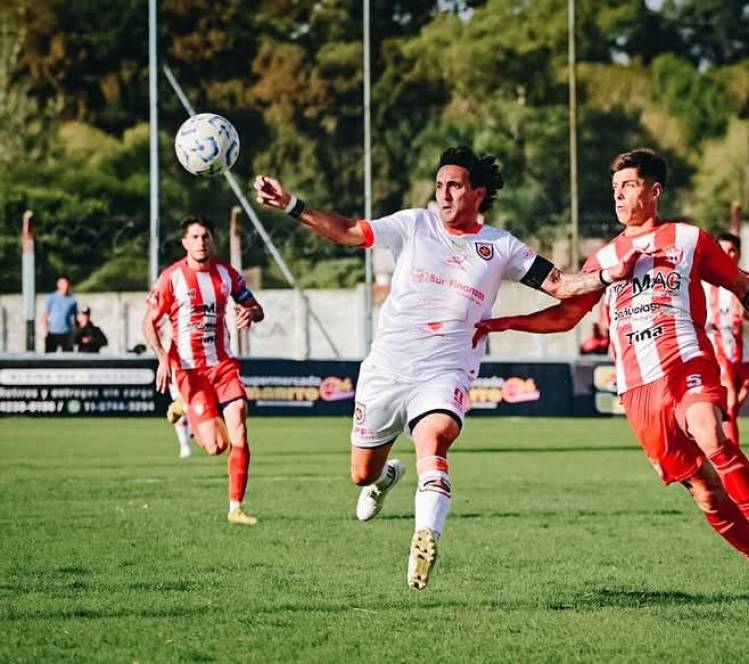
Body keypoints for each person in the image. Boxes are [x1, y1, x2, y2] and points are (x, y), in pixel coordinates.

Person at [253, 145, 650, 590]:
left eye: (454, 186)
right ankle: (384, 478)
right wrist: (290, 204)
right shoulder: (412, 225)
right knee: (361, 473)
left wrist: (608, 275)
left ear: (477, 193)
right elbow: (347, 232)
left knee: (435, 441)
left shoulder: (500, 246)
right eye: (440, 186)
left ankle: (425, 536)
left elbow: (560, 285)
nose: (443, 195)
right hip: (386, 368)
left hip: (445, 369)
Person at [475, 148, 749, 606]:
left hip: (687, 361)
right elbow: (565, 316)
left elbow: (742, 287)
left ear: (654, 191)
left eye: (628, 185)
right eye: (614, 188)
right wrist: (504, 322)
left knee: (711, 432)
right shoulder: (603, 258)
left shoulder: (689, 238)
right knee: (704, 491)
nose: (618, 194)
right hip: (637, 388)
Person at [142, 216, 265, 524]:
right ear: (185, 243)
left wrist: (251, 312)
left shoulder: (226, 274)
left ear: (213, 241)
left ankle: (235, 508)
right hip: (188, 371)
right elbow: (149, 323)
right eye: (194, 237)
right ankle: (185, 405)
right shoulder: (171, 278)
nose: (200, 242)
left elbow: (257, 308)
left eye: (205, 236)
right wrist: (161, 358)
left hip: (223, 364)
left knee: (239, 425)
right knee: (216, 446)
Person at [705, 232, 749, 444]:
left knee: (734, 406)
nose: (727, 255)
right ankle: (732, 453)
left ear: (739, 253)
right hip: (720, 350)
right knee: (731, 401)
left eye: (732, 250)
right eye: (722, 251)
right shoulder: (705, 282)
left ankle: (714, 439)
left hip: (746, 354)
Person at [42, 276, 78, 353]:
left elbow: (75, 317)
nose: (65, 286)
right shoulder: (51, 298)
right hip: (52, 332)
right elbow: (45, 315)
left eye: (66, 284)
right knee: (49, 356)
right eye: (63, 284)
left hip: (67, 332)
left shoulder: (72, 300)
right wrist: (46, 330)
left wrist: (74, 332)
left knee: (68, 357)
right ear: (58, 285)